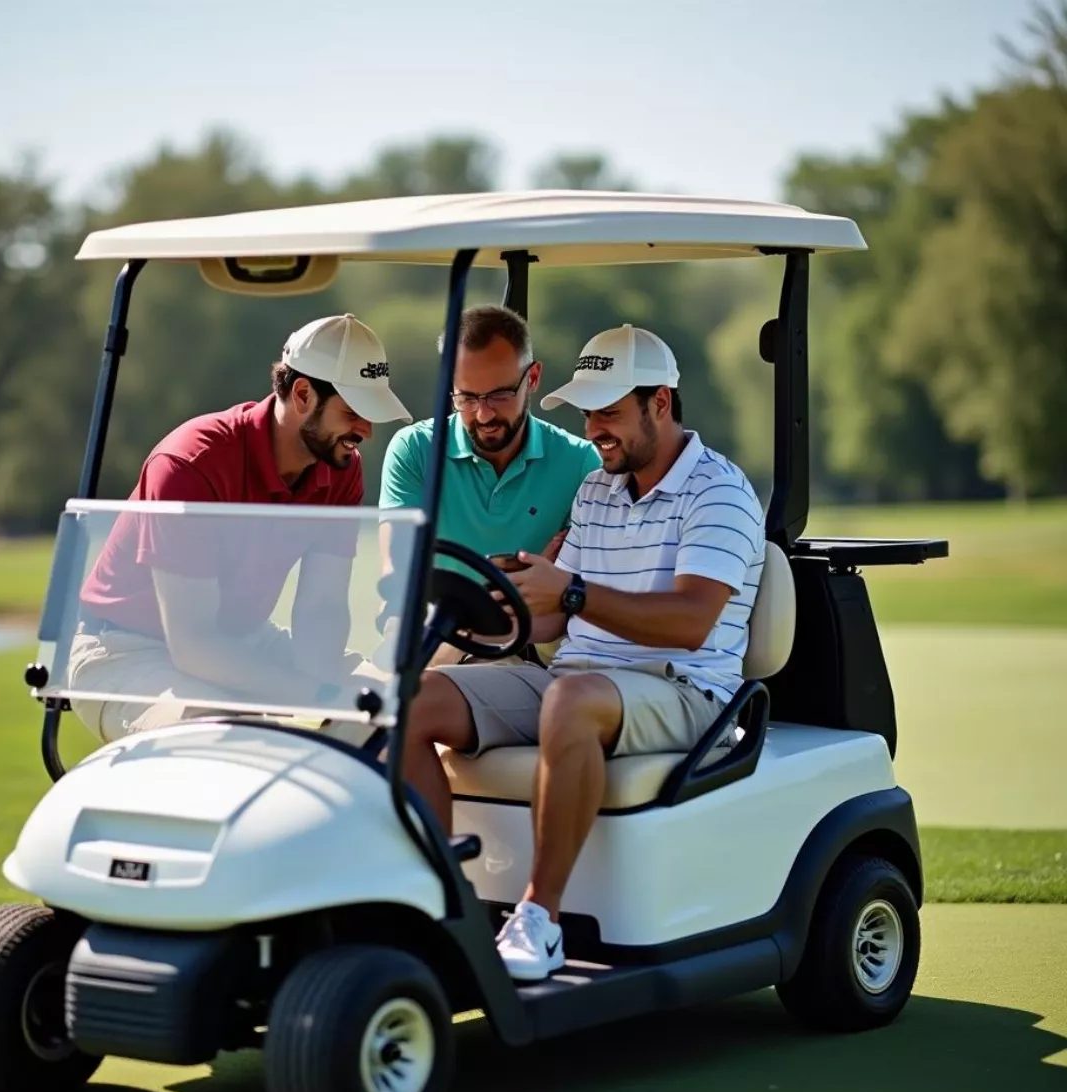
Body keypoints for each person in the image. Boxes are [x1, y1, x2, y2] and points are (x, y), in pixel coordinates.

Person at [401, 324, 766, 981]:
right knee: (411, 701)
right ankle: (440, 906)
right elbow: (546, 615)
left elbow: (690, 621)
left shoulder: (720, 492)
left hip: (686, 690)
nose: (595, 428)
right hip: (580, 678)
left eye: (610, 413)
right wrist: (492, 599)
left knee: (570, 699)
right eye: (589, 413)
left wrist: (568, 592)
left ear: (660, 404)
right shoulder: (599, 489)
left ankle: (539, 919)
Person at [67, 313, 411, 743]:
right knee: (233, 734)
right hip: (124, 650)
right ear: (303, 394)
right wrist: (321, 694)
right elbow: (193, 644)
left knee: (398, 705)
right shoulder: (190, 463)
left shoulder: (340, 467)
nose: (367, 430)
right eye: (354, 411)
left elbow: (320, 609)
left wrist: (345, 700)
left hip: (242, 639)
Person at [376, 305, 599, 665]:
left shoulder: (582, 464)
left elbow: (566, 601)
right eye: (466, 397)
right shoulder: (414, 450)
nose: (483, 414)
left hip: (527, 648)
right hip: (425, 632)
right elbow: (398, 576)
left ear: (534, 377)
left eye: (500, 395)